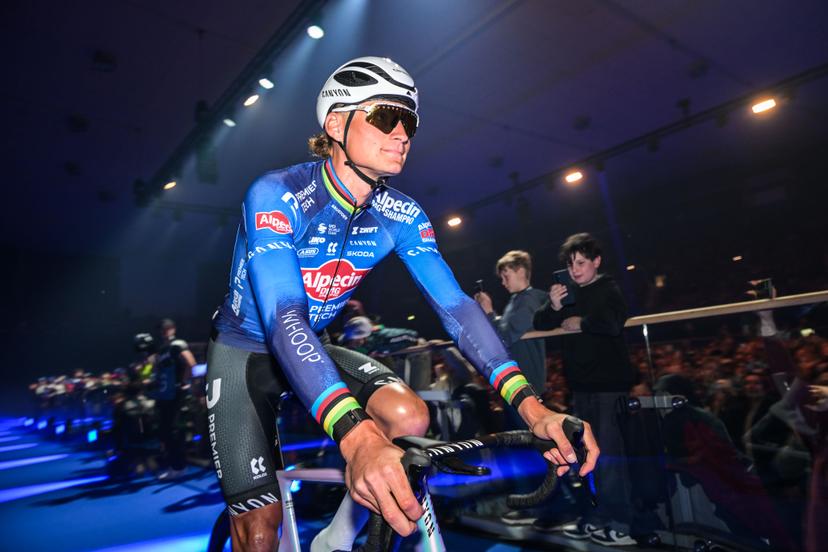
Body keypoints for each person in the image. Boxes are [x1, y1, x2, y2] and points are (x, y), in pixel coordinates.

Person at [204, 56, 599, 551]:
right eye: (385, 117)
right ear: (335, 123)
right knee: (260, 534)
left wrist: (532, 408)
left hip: (312, 347)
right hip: (246, 350)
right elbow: (284, 317)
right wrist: (357, 436)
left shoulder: (402, 215)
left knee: (409, 419)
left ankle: (335, 540)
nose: (402, 133)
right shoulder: (277, 193)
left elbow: (455, 308)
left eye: (409, 121)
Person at [533, 232, 637, 546]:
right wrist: (553, 306)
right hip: (581, 387)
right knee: (585, 456)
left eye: (581, 262)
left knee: (609, 456)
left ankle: (620, 524)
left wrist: (583, 322)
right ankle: (595, 517)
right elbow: (540, 322)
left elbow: (614, 320)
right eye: (570, 264)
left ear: (596, 262)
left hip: (609, 386)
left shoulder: (607, 288)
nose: (575, 269)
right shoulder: (570, 294)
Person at [475, 249, 548, 429]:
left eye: (506, 276)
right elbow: (504, 329)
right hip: (517, 380)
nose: (503, 282)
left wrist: (490, 312)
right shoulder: (516, 300)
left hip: (526, 382)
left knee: (528, 437)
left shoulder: (531, 299)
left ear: (521, 271)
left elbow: (505, 337)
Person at [153, 318, 196, 480]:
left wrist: (184, 382)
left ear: (173, 329)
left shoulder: (177, 344)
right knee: (165, 431)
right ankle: (174, 463)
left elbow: (191, 363)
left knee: (173, 431)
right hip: (165, 395)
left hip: (175, 395)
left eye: (167, 328)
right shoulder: (163, 349)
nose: (164, 331)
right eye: (162, 329)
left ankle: (178, 466)